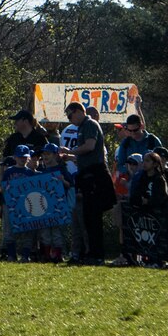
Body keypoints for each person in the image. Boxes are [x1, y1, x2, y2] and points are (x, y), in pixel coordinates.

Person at [65, 101, 115, 265]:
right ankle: (91, 252)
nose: (70, 119)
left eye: (70, 115)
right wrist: (69, 156)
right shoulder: (81, 128)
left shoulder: (90, 124)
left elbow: (90, 146)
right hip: (87, 174)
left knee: (93, 216)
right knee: (88, 217)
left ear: (79, 111)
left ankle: (97, 254)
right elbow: (84, 156)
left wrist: (71, 151)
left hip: (96, 174)